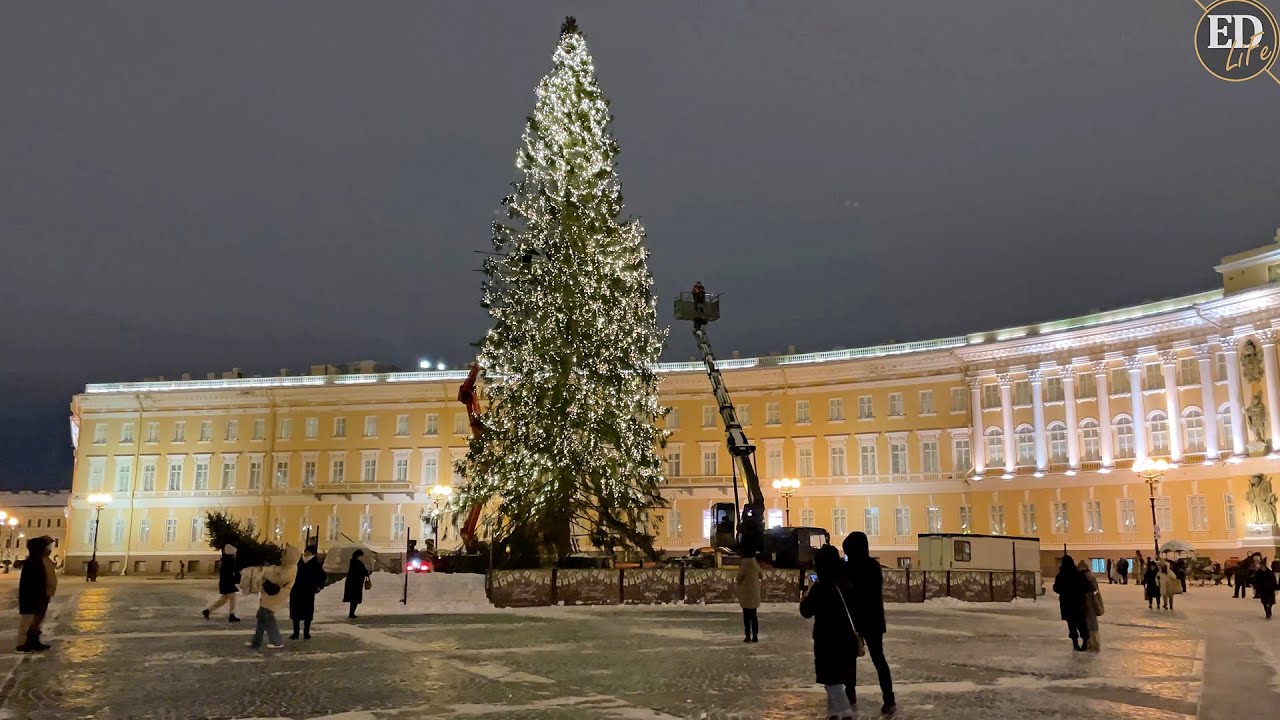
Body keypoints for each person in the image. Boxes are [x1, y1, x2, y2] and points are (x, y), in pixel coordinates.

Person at [799, 545, 858, 720]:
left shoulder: (821, 587)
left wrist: (804, 597)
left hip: (827, 641)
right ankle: (833, 713)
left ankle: (845, 712)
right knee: (836, 679)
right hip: (845, 639)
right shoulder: (846, 584)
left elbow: (806, 611)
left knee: (831, 681)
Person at [841, 531, 895, 714]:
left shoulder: (850, 569)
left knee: (850, 661)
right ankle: (889, 699)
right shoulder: (873, 566)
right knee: (879, 659)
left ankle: (850, 697)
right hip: (874, 620)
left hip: (855, 620)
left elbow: (849, 592)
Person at [242, 545, 300, 650]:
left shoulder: (291, 568)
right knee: (265, 616)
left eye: (284, 556)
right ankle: (272, 641)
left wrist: (267, 573)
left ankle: (259, 642)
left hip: (276, 595)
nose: (281, 558)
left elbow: (279, 579)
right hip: (271, 595)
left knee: (263, 616)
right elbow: (275, 572)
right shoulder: (286, 567)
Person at [16, 537, 56, 652]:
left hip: (43, 595)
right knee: (28, 620)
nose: (49, 549)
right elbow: (31, 583)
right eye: (47, 546)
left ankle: (34, 640)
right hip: (33, 597)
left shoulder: (44, 560)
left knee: (37, 620)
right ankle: (23, 643)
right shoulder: (33, 562)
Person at [1053, 555, 1089, 651]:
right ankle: (1085, 642)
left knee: (1071, 624)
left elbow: (1056, 588)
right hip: (1079, 603)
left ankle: (1075, 643)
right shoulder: (1078, 574)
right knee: (1081, 623)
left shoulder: (1060, 575)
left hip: (1067, 604)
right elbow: (1086, 587)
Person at [290, 545, 325, 640]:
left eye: (308, 551)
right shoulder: (298, 562)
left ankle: (306, 632)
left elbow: (322, 576)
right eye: (305, 551)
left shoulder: (315, 564)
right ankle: (295, 632)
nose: (306, 553)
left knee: (307, 613)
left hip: (308, 591)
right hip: (297, 590)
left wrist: (318, 587)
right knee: (295, 613)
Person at [202, 545, 242, 623]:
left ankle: (207, 611)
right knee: (233, 598)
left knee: (223, 600)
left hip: (224, 582)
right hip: (228, 582)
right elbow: (231, 572)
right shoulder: (229, 560)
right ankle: (231, 615)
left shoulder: (224, 560)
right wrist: (237, 578)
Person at [735, 552, 763, 643]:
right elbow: (762, 575)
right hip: (754, 593)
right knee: (754, 615)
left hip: (746, 594)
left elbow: (738, 578)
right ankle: (755, 636)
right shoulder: (756, 565)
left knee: (746, 616)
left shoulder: (744, 565)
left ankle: (747, 636)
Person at [1077, 561, 1101, 652]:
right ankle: (1094, 644)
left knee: (1088, 624)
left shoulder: (1081, 576)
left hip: (1084, 603)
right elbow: (1095, 588)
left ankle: (1092, 644)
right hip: (1090, 602)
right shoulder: (1090, 575)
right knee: (1092, 623)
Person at [343, 550, 371, 619]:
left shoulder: (353, 562)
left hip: (353, 583)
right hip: (355, 584)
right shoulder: (356, 562)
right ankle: (351, 613)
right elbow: (361, 571)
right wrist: (366, 572)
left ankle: (351, 613)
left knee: (354, 600)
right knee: (355, 599)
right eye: (361, 556)